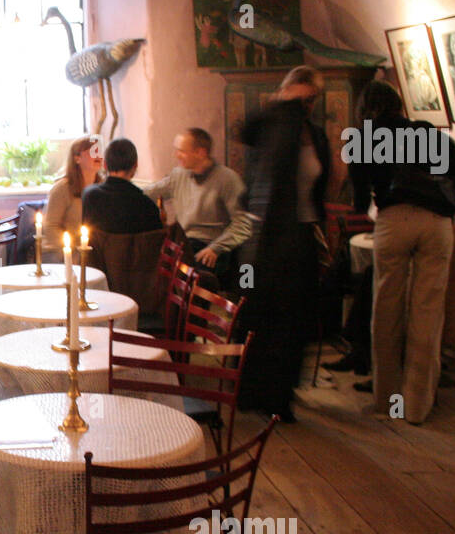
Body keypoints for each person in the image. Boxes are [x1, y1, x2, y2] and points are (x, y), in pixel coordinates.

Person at [349, 79, 455, 424]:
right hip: (436, 223)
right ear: (399, 105)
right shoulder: (428, 133)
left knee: (386, 310)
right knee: (428, 313)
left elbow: (359, 201)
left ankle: (387, 401)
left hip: (392, 220)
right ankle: (418, 405)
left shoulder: (363, 139)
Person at [235, 66, 334, 423]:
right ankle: (255, 392)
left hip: (302, 233)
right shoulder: (273, 126)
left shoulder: (314, 134)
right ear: (288, 91)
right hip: (270, 236)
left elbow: (320, 185)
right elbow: (245, 131)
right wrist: (282, 104)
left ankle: (280, 394)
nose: (305, 105)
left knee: (296, 320)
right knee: (265, 316)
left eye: (311, 99)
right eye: (302, 97)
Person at [143, 128, 253, 291]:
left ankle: (193, 313)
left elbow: (244, 223)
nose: (176, 155)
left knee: (187, 277)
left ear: (201, 153)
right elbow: (150, 193)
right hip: (184, 243)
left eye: (182, 151)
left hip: (211, 246)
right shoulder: (179, 175)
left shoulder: (227, 179)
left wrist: (216, 248)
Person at [80, 137, 164, 235]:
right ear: (135, 165)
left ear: (105, 165)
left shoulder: (89, 195)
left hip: (101, 250)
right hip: (133, 251)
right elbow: (155, 243)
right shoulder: (147, 205)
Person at [41, 136, 103, 256]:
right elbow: (51, 227)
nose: (98, 155)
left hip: (93, 251)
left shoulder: (103, 187)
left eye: (99, 151)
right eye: (92, 151)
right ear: (77, 158)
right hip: (62, 252)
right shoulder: (62, 188)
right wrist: (71, 250)